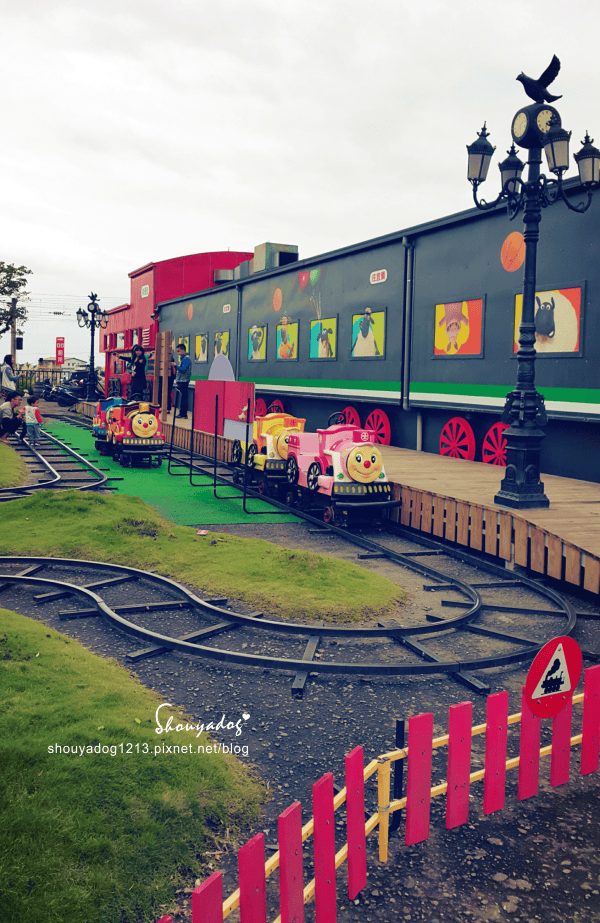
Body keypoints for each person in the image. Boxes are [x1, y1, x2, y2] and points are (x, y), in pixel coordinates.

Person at [174, 342, 191, 418]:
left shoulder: (186, 359)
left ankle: (183, 413)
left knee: (183, 397)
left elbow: (183, 369)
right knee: (183, 397)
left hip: (183, 381)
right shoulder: (183, 358)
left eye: (178, 351)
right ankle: (182, 413)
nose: (178, 353)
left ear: (182, 350)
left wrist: (175, 366)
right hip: (181, 380)